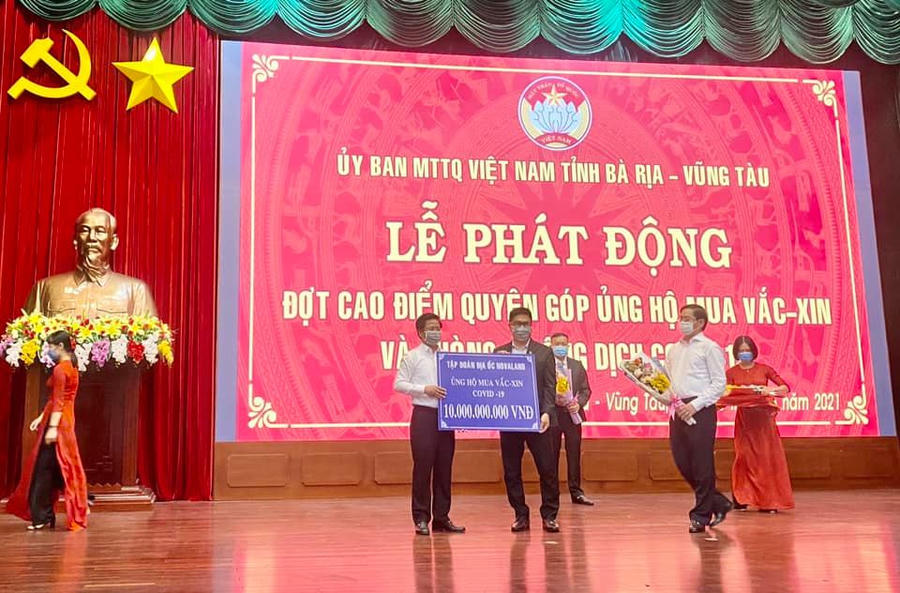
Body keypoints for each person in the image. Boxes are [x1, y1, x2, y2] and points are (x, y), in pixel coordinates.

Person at [6, 331, 88, 530]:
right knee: (58, 467)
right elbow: (56, 399)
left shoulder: (60, 369)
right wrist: (41, 417)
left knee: (43, 469)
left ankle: (42, 515)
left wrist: (52, 428)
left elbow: (58, 401)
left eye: (51, 347)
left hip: (58, 423)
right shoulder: (71, 365)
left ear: (60, 347)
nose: (48, 350)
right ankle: (53, 512)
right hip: (64, 420)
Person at [394, 313, 465, 536]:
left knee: (444, 468)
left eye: (438, 328)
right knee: (423, 468)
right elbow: (399, 384)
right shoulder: (412, 356)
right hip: (424, 415)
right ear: (420, 332)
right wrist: (425, 389)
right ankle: (421, 518)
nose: (436, 332)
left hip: (446, 417)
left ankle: (442, 518)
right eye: (431, 328)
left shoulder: (447, 358)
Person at [667, 304, 731, 533]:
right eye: (681, 317)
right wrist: (667, 398)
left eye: (687, 318)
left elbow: (719, 384)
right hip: (677, 409)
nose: (682, 322)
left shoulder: (709, 348)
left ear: (700, 322)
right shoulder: (673, 349)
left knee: (702, 463)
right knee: (682, 461)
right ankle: (719, 502)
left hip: (700, 410)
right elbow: (669, 380)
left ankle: (700, 516)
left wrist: (695, 405)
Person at [494, 307, 560, 532]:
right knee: (511, 471)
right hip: (510, 421)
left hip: (538, 420)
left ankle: (549, 515)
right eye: (517, 324)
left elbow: (550, 386)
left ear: (531, 326)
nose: (521, 328)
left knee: (547, 469)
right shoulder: (499, 352)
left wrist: (547, 412)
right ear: (510, 326)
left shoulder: (544, 353)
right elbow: (494, 386)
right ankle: (520, 514)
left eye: (525, 324)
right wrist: (498, 365)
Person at [25, 208, 157, 318]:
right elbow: (25, 337)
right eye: (85, 230)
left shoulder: (135, 290)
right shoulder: (44, 288)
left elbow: (152, 339)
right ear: (75, 240)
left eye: (100, 231)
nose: (92, 238)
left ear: (113, 242)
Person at [719, 335, 794, 512]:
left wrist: (769, 390)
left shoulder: (764, 369)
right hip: (745, 422)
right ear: (736, 353)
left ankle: (768, 501)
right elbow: (724, 394)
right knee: (744, 457)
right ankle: (742, 498)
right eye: (741, 350)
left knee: (765, 458)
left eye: (747, 350)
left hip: (764, 422)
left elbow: (784, 388)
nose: (745, 353)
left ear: (753, 351)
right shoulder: (731, 373)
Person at [548, 332, 593, 506]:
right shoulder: (546, 366)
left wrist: (578, 404)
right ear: (551, 346)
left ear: (568, 346)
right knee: (551, 455)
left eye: (563, 343)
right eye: (557, 343)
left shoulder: (576, 365)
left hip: (572, 415)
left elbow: (586, 390)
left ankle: (576, 492)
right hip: (553, 415)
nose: (560, 346)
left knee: (574, 454)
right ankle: (552, 494)